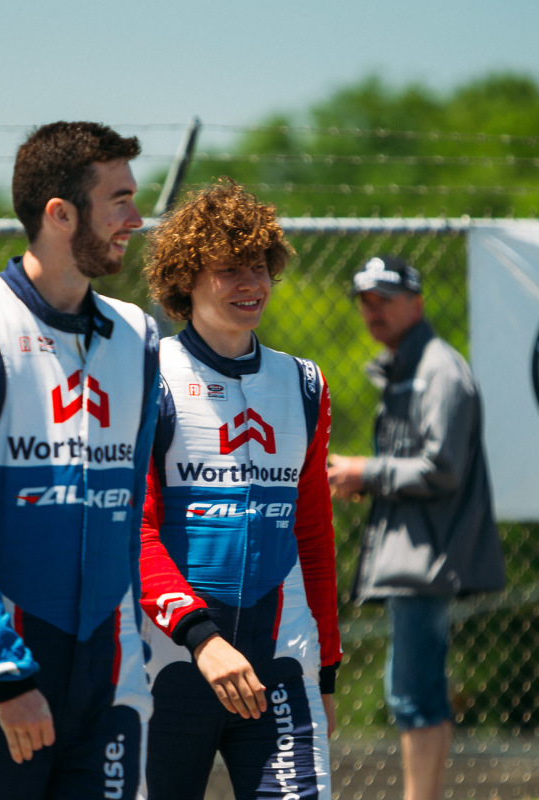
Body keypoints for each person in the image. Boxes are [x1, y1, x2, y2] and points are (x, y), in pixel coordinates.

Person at [0, 121, 161, 798]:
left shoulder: (138, 335)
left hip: (111, 670)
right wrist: (6, 674)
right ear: (59, 213)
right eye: (121, 200)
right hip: (8, 674)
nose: (137, 218)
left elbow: (153, 498)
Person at [138, 179, 341, 800]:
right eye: (228, 270)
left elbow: (313, 532)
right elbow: (134, 529)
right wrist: (200, 637)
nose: (250, 284)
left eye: (259, 266)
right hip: (169, 662)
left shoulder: (303, 383)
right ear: (185, 282)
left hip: (281, 659)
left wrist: (327, 672)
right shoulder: (149, 376)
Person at [327, 255, 505, 800]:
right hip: (416, 553)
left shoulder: (439, 369)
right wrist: (372, 481)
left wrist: (367, 471)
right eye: (365, 300)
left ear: (417, 303)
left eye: (385, 298)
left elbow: (443, 466)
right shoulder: (408, 365)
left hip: (430, 556)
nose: (372, 310)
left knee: (415, 691)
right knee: (412, 687)